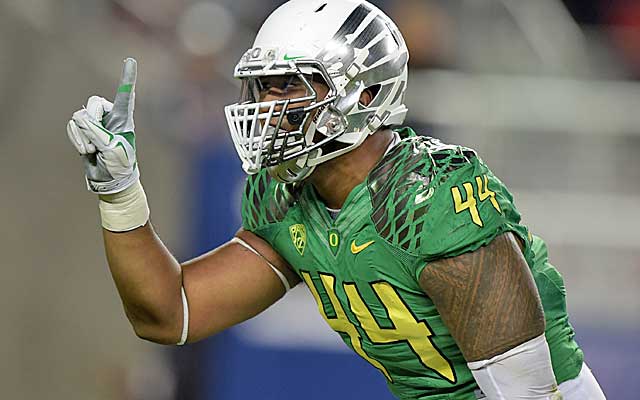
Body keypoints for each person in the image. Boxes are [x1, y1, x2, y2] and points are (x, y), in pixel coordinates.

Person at [66, 1, 608, 399]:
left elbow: (528, 395)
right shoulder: (286, 197)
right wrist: (120, 192)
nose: (269, 107)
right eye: (264, 87)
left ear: (365, 94)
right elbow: (169, 313)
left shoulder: (426, 200)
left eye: (291, 86)